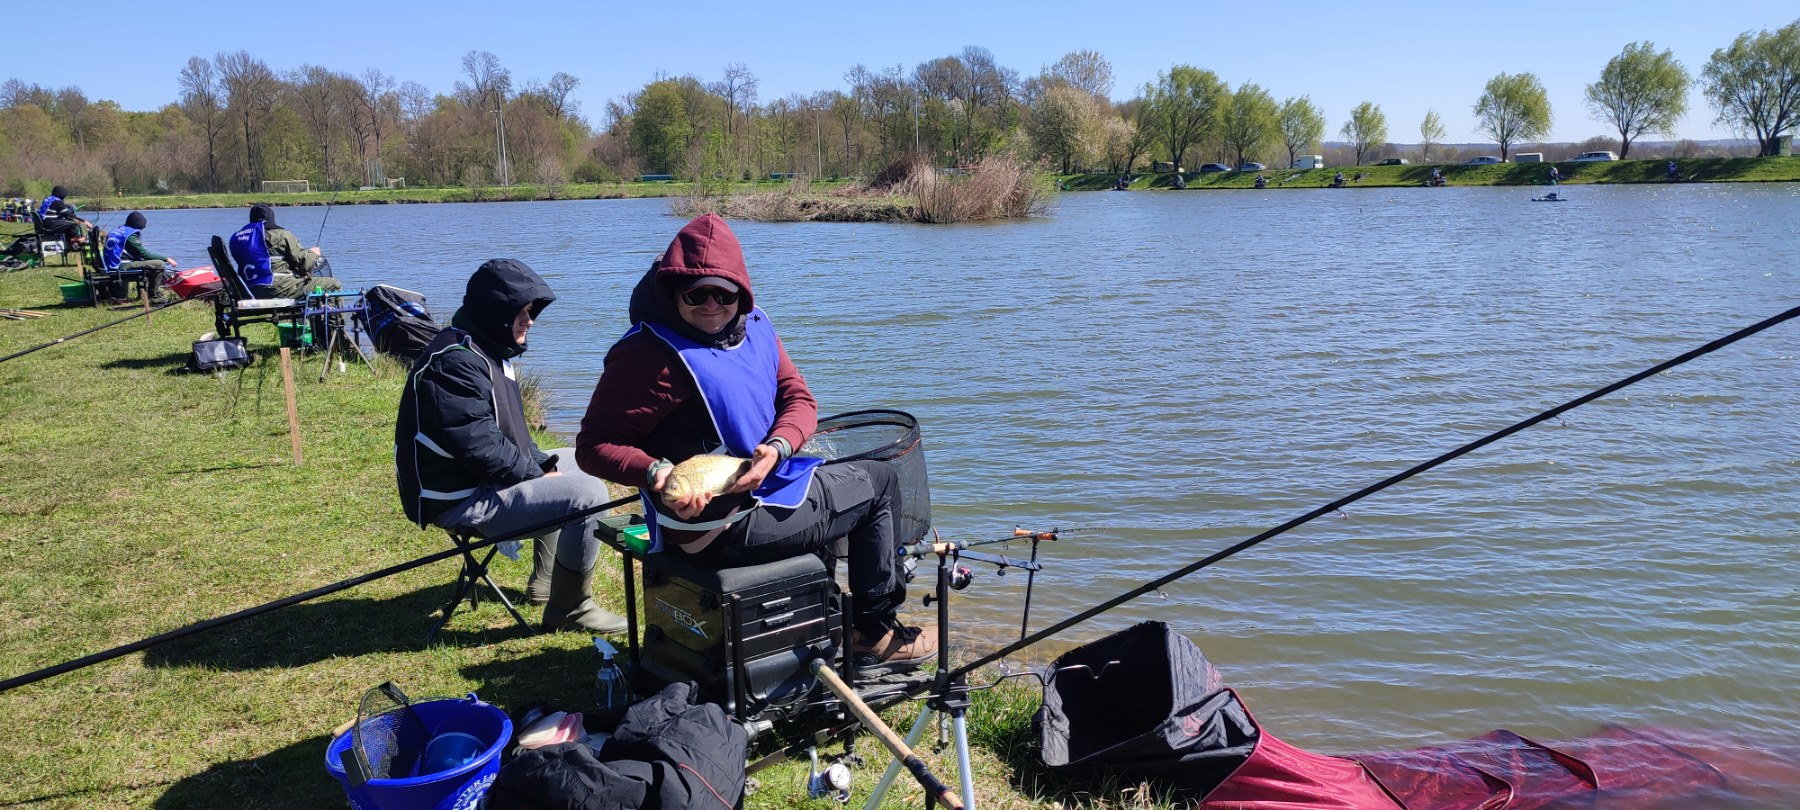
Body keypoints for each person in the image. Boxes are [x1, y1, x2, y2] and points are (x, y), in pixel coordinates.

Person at [576, 213, 936, 676]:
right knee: (881, 481)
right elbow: (593, 445)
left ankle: (822, 616)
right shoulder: (645, 356)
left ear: (741, 293)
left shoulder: (756, 325)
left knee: (847, 480)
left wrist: (780, 446)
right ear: (671, 291)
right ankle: (874, 632)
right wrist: (657, 473)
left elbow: (799, 398)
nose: (711, 305)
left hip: (764, 487)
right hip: (716, 528)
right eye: (695, 293)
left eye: (723, 293)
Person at [396, 258, 627, 633]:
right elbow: (480, 447)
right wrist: (536, 473)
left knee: (582, 463)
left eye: (531, 311)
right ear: (495, 313)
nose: (530, 320)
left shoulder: (486, 349)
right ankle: (571, 609)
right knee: (587, 494)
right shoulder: (454, 364)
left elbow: (511, 432)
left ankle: (545, 583)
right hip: (458, 497)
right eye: (521, 312)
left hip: (479, 480)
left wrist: (541, 462)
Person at [228, 203, 341, 299]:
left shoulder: (236, 239)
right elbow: (304, 263)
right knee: (334, 284)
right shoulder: (282, 235)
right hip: (277, 288)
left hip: (248, 290)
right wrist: (313, 253)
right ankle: (333, 324)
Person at [102, 211, 178, 302]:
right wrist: (166, 259)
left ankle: (149, 291)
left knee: (149, 263)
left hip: (111, 264)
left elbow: (133, 252)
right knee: (159, 264)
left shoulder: (119, 230)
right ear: (138, 225)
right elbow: (144, 254)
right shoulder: (130, 235)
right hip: (120, 266)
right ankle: (153, 295)